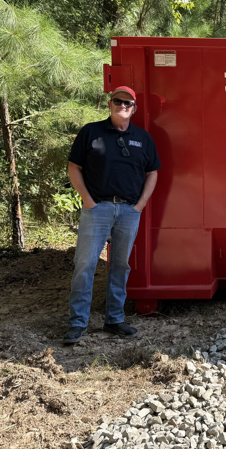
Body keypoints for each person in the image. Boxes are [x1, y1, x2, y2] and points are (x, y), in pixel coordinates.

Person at [63, 86, 161, 344]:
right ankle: (77, 323)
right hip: (98, 209)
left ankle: (114, 319)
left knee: (120, 265)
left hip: (129, 211)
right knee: (85, 264)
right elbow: (74, 167)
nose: (123, 106)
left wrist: (139, 205)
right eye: (118, 101)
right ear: (109, 104)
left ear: (134, 108)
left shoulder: (143, 138)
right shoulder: (91, 132)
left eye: (128, 103)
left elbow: (153, 172)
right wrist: (88, 200)